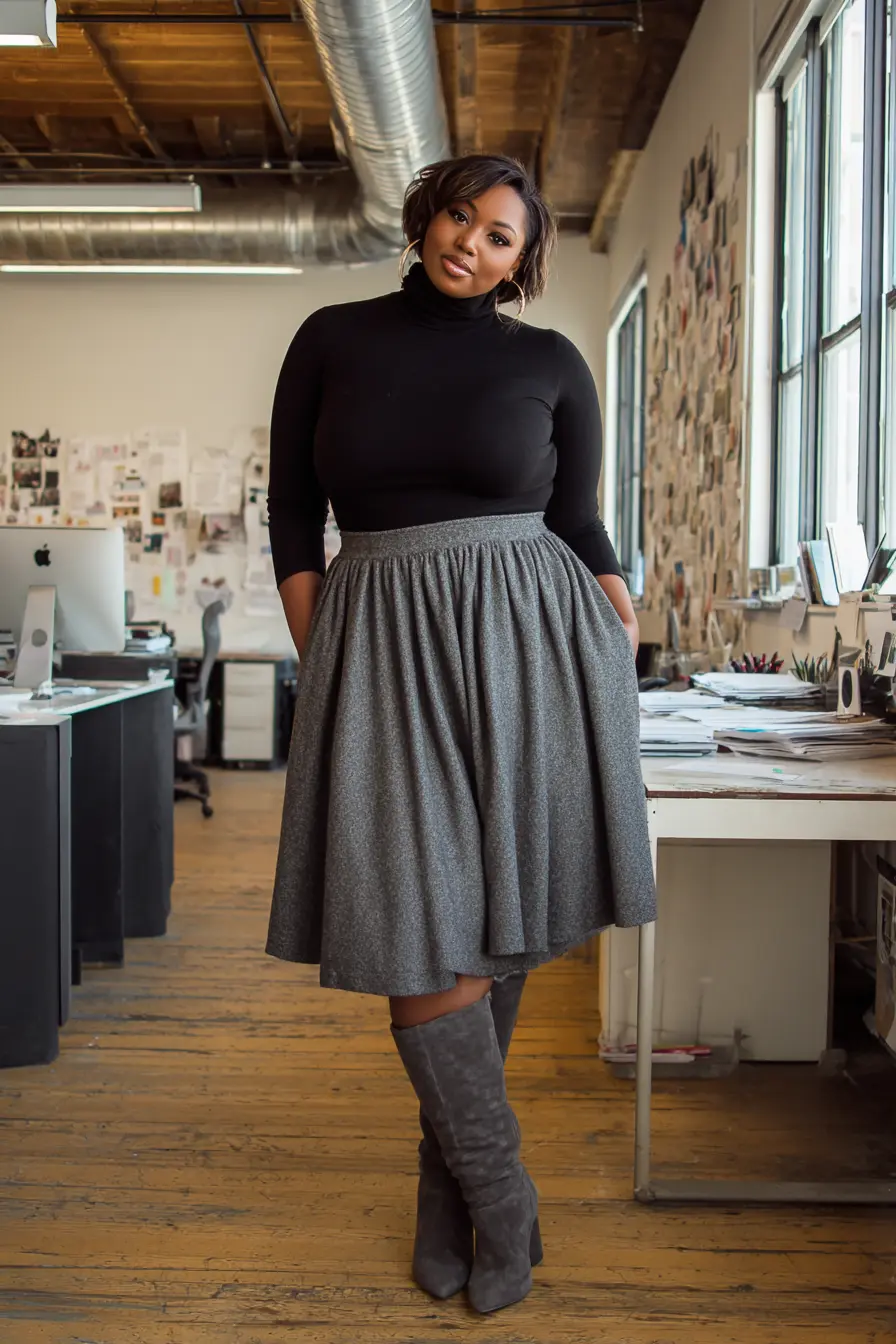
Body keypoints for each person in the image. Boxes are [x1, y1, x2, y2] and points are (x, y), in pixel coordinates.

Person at [265, 153, 656, 1315]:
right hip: (377, 634)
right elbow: (293, 507)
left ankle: (450, 1199)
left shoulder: (546, 361)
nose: (469, 246)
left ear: (520, 261)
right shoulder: (331, 336)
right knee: (408, 917)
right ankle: (506, 1199)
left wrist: (614, 626)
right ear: (423, 215)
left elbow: (578, 518)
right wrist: (317, 642)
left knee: (495, 908)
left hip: (531, 644)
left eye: (498, 237)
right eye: (458, 219)